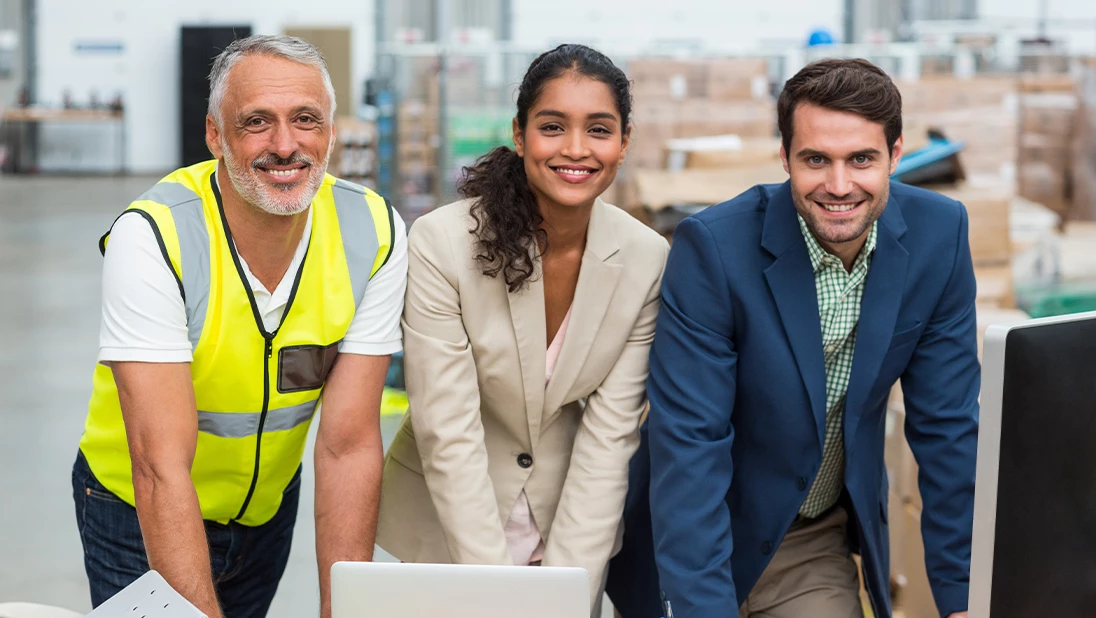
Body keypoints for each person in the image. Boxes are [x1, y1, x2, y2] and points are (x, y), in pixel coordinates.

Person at [607, 58, 978, 618]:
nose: (838, 185)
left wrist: (962, 597)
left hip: (809, 541)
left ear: (896, 154)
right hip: (694, 540)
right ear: (784, 158)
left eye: (861, 159)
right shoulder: (713, 250)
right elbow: (691, 444)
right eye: (815, 160)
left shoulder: (938, 238)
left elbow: (948, 429)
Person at [72, 35, 407, 618]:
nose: (285, 145)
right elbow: (159, 465)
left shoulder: (373, 231)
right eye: (257, 122)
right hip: (135, 506)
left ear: (330, 131)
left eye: (307, 120)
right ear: (214, 135)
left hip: (264, 512)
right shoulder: (156, 236)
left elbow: (347, 446)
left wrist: (344, 608)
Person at [375, 44, 668, 616]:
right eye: (553, 126)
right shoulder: (443, 243)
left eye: (599, 129)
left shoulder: (645, 259)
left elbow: (609, 441)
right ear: (519, 133)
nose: (576, 149)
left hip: (567, 526)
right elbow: (447, 428)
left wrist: (565, 592)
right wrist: (497, 596)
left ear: (624, 142)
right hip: (447, 529)